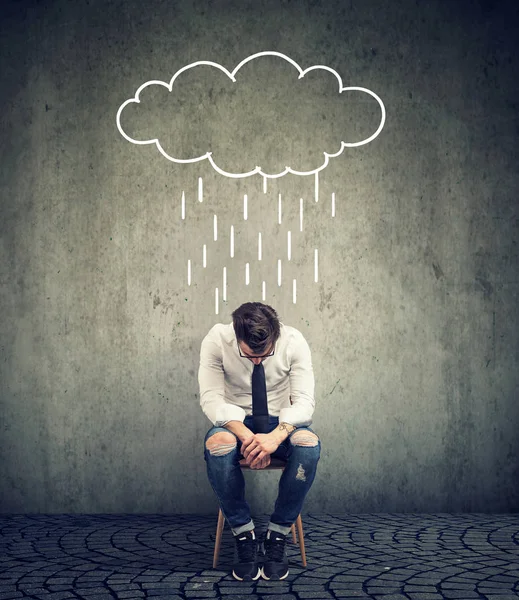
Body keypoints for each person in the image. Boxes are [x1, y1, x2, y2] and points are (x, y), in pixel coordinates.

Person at [199, 302, 321, 581]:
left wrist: (275, 437)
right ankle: (244, 535)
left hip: (282, 423)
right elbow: (211, 399)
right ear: (236, 334)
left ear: (276, 336)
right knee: (217, 445)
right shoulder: (217, 340)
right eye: (248, 354)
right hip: (235, 421)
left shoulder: (294, 341)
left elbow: (305, 403)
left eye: (264, 355)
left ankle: (277, 535)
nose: (256, 361)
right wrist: (249, 437)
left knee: (308, 445)